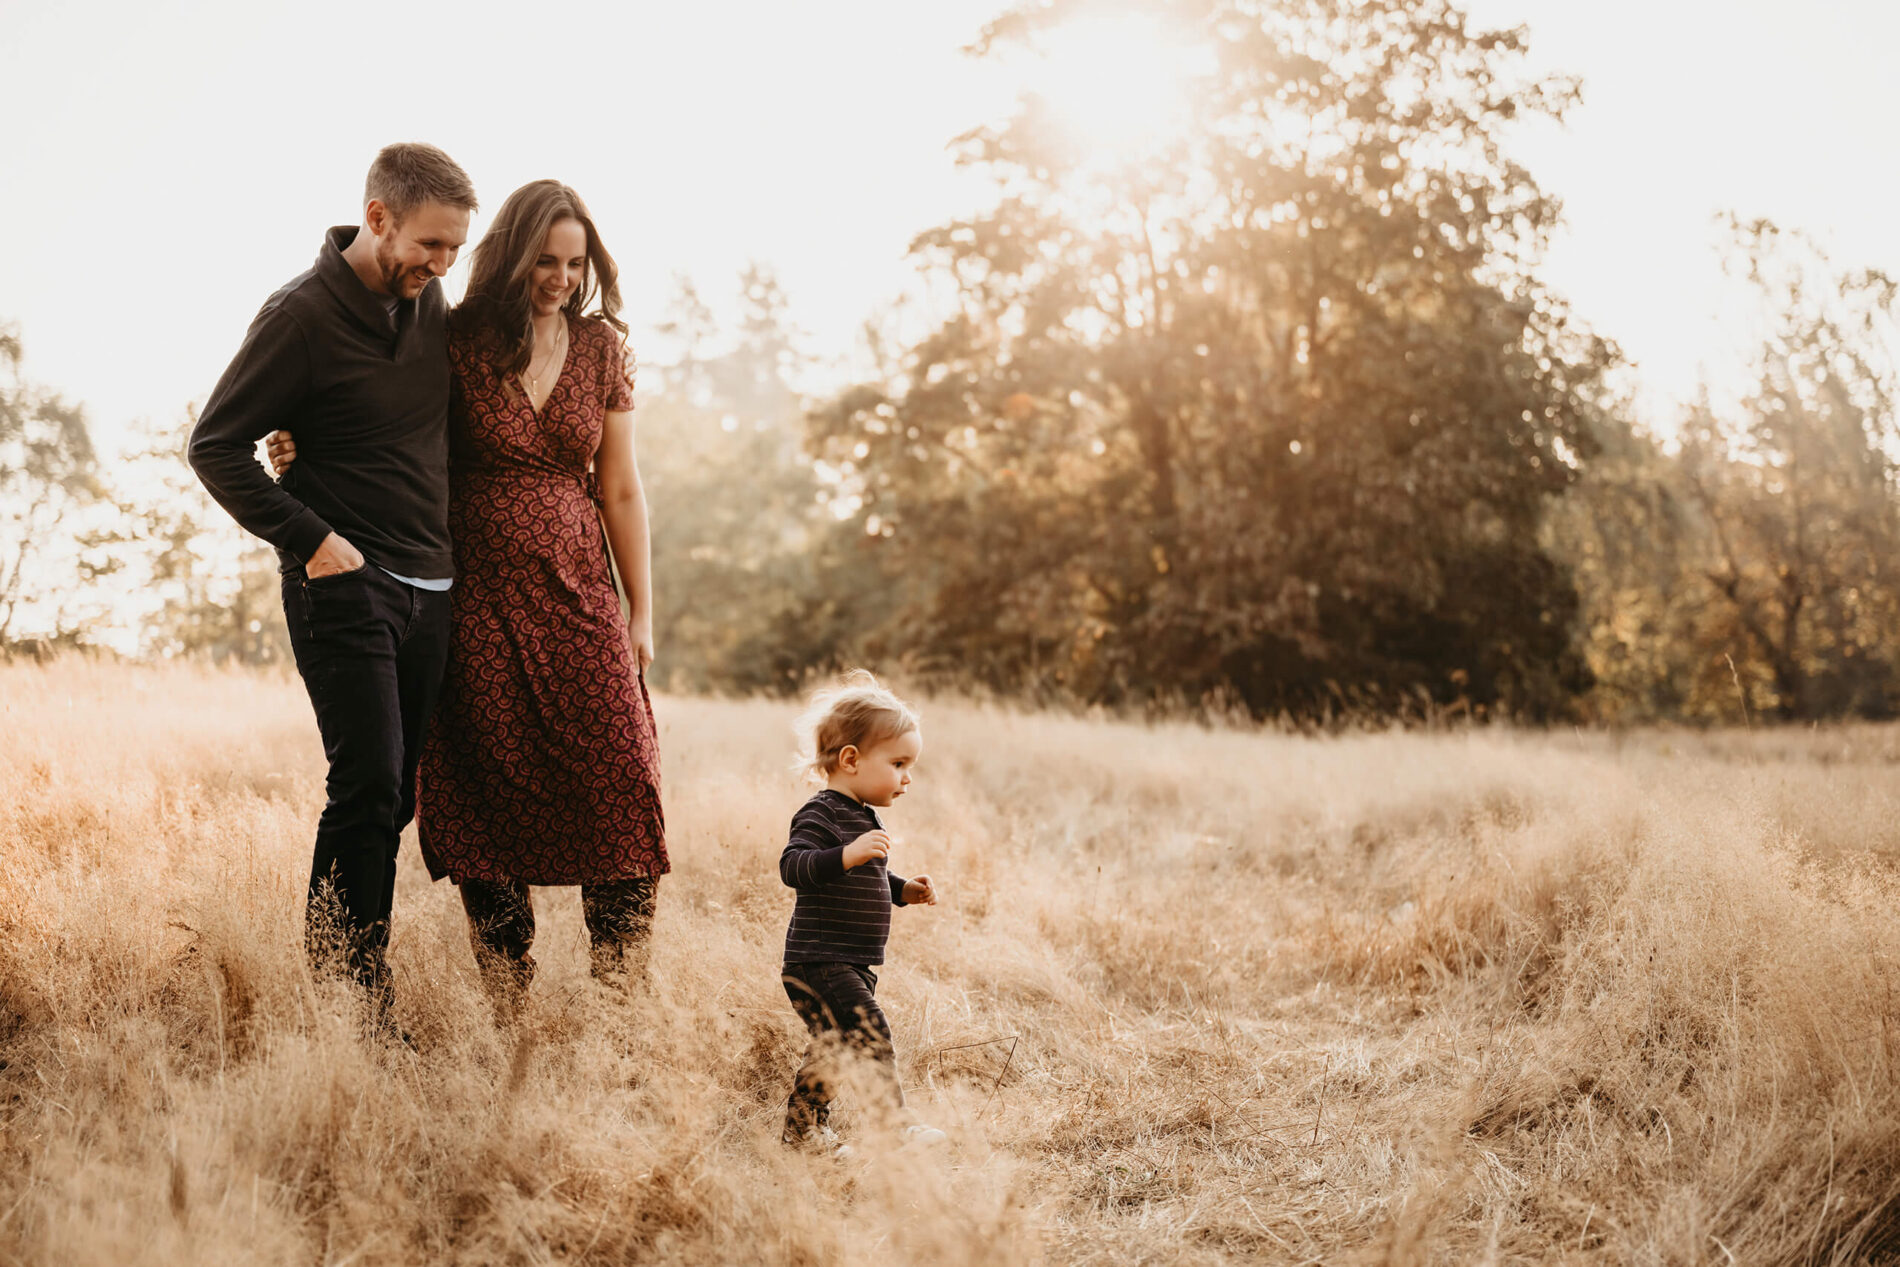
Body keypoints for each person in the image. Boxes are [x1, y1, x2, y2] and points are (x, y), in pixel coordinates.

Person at [269, 180, 667, 1016]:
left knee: (621, 775)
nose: (559, 278)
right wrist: (303, 437)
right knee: (485, 780)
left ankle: (622, 1003)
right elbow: (373, 403)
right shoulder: (451, 337)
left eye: (574, 263)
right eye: (543, 261)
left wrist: (641, 612)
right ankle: (507, 997)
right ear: (512, 257)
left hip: (579, 587)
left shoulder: (601, 349)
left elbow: (622, 490)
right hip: (472, 587)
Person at [189, 143, 477, 1027]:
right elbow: (214, 445)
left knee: (398, 793)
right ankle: (351, 994)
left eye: (456, 250)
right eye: (430, 245)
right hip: (347, 584)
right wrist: (312, 539)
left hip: (432, 585)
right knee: (367, 781)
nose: (440, 266)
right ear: (378, 218)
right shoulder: (299, 316)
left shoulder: (429, 309)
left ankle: (342, 960)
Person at [778, 672, 945, 1153]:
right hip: (819, 961)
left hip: (851, 961)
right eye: (898, 763)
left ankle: (804, 1131)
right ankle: (895, 1124)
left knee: (831, 1048)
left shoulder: (864, 817)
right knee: (870, 1031)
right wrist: (848, 854)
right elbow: (794, 867)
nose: (907, 777)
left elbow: (863, 876)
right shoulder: (822, 813)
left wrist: (901, 888)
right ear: (850, 759)